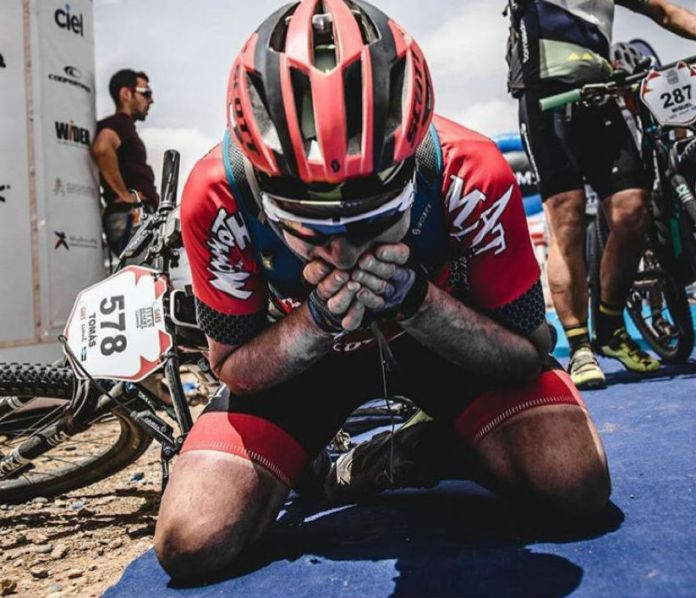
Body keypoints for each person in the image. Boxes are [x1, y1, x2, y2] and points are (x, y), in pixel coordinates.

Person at [154, 0, 610, 581]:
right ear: (262, 183)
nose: (344, 253)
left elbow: (525, 352)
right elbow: (233, 369)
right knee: (192, 540)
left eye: (371, 221)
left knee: (573, 482)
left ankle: (420, 445)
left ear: (410, 165)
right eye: (309, 231)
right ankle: (375, 456)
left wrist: (419, 304)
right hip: (306, 370)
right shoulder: (215, 193)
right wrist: (314, 324)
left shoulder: (471, 169)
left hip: (443, 352)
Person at [506, 0, 696, 389]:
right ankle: (579, 347)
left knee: (633, 212)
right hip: (544, 99)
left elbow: (663, 11)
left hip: (601, 95)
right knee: (567, 217)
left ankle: (609, 329)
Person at [92, 69, 158, 255]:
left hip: (133, 217)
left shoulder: (123, 126)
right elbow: (103, 148)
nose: (150, 100)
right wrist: (124, 195)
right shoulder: (121, 122)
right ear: (126, 94)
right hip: (131, 217)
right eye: (146, 93)